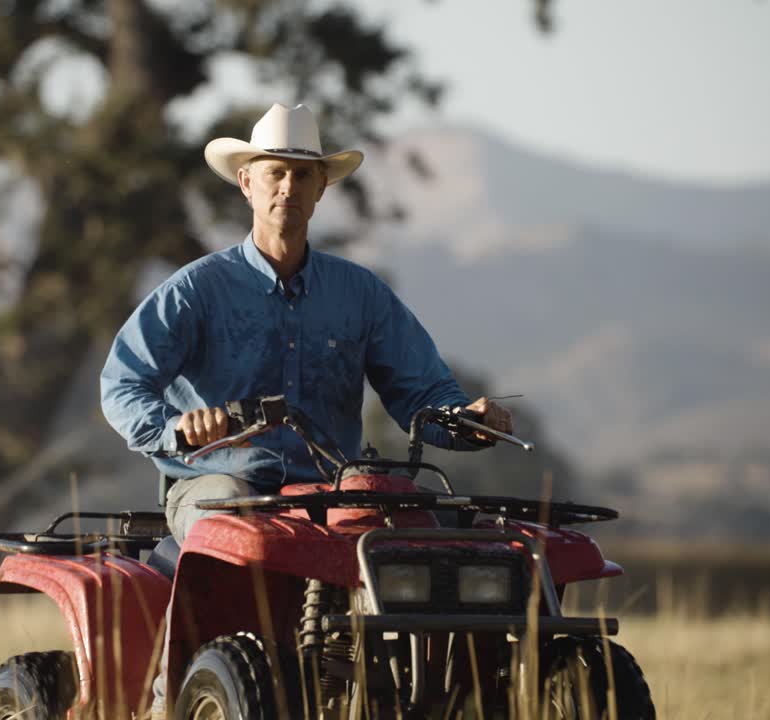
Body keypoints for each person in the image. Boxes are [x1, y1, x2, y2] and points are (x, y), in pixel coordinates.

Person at [99, 103, 511, 717]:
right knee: (233, 509)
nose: (288, 186)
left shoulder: (361, 295)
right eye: (275, 173)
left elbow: (422, 395)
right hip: (215, 485)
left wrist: (469, 420)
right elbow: (122, 383)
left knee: (442, 541)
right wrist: (176, 428)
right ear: (247, 182)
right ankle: (173, 700)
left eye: (303, 175)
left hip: (330, 491)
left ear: (322, 188)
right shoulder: (197, 290)